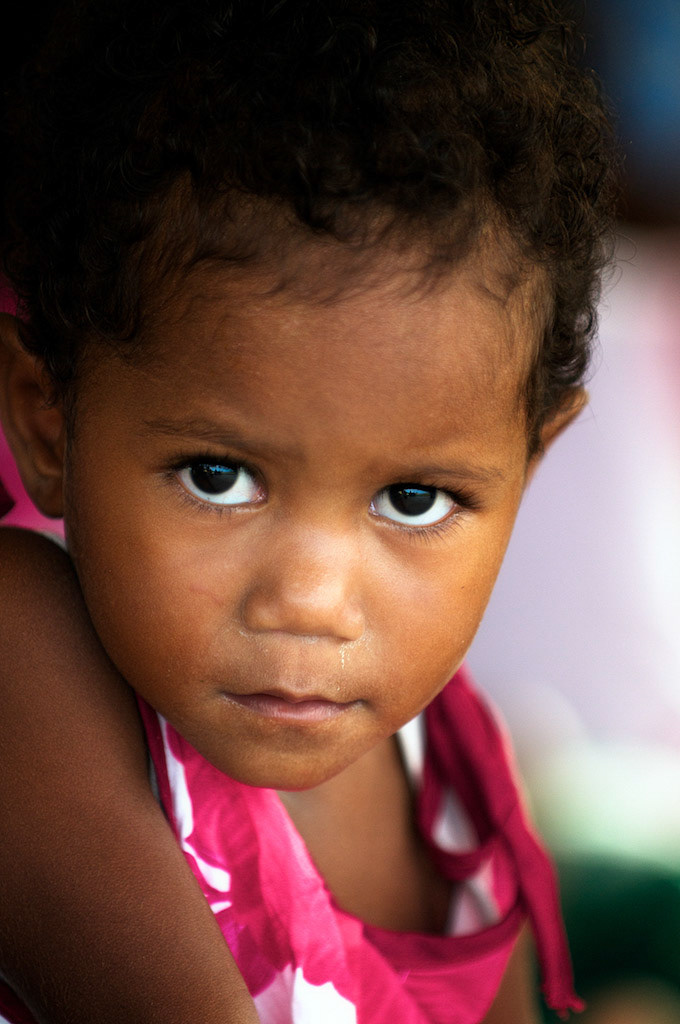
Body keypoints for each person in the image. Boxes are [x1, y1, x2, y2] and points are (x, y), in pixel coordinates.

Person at [0, 1, 617, 1021]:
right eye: (217, 477)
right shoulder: (27, 665)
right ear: (49, 424)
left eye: (412, 499)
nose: (311, 600)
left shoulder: (464, 774)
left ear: (528, 462)